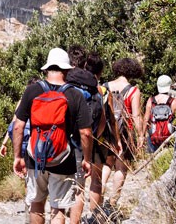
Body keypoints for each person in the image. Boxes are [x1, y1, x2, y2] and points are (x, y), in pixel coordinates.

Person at [12, 48, 93, 224]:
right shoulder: (75, 94)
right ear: (67, 70)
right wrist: (87, 159)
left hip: (35, 156)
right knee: (58, 207)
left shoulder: (32, 91)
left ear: (47, 68)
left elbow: (18, 126)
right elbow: (86, 132)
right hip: (63, 158)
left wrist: (18, 156)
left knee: (36, 203)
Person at [68, 51, 111, 223]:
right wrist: (92, 141)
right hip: (86, 144)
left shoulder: (67, 86)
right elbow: (103, 121)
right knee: (81, 188)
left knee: (62, 188)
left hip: (62, 143)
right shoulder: (99, 91)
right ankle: (88, 218)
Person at [101, 58, 144, 208]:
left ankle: (97, 194)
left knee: (106, 163)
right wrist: (141, 135)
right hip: (124, 132)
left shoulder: (104, 87)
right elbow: (136, 116)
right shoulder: (133, 91)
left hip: (105, 131)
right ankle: (112, 202)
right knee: (120, 167)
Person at [143, 75, 176, 151]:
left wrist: (141, 136)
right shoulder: (174, 101)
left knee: (153, 161)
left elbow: (145, 119)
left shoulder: (151, 100)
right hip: (170, 138)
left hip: (153, 138)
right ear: (170, 86)